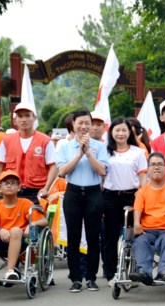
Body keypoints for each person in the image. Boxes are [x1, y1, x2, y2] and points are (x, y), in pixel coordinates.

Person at [56, 109, 109, 293]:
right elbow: (62, 172)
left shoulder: (100, 146)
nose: (84, 126)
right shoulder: (64, 146)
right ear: (74, 124)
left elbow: (102, 170)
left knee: (94, 238)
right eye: (81, 123)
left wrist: (88, 153)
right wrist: (79, 154)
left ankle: (91, 277)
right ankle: (76, 278)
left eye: (88, 123)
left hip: (94, 193)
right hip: (73, 193)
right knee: (74, 237)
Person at [102, 117, 148, 286]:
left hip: (132, 197)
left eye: (124, 130)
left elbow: (143, 178)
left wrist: (141, 196)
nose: (120, 134)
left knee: (133, 235)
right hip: (110, 197)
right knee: (110, 236)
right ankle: (110, 273)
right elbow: (101, 177)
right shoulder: (105, 152)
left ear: (130, 132)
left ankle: (133, 271)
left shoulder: (138, 152)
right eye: (117, 130)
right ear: (111, 132)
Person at [129, 152, 165, 285]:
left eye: (160, 164)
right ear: (148, 169)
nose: (156, 167)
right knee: (140, 241)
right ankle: (144, 272)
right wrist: (136, 224)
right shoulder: (143, 191)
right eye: (153, 165)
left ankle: (164, 271)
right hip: (147, 230)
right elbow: (137, 209)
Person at [0, 102, 57, 201]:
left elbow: (53, 166)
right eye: (20, 116)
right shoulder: (6, 140)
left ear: (35, 118)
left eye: (28, 116)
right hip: (12, 190)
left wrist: (46, 188)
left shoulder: (45, 141)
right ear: (15, 120)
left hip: (37, 191)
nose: (24, 120)